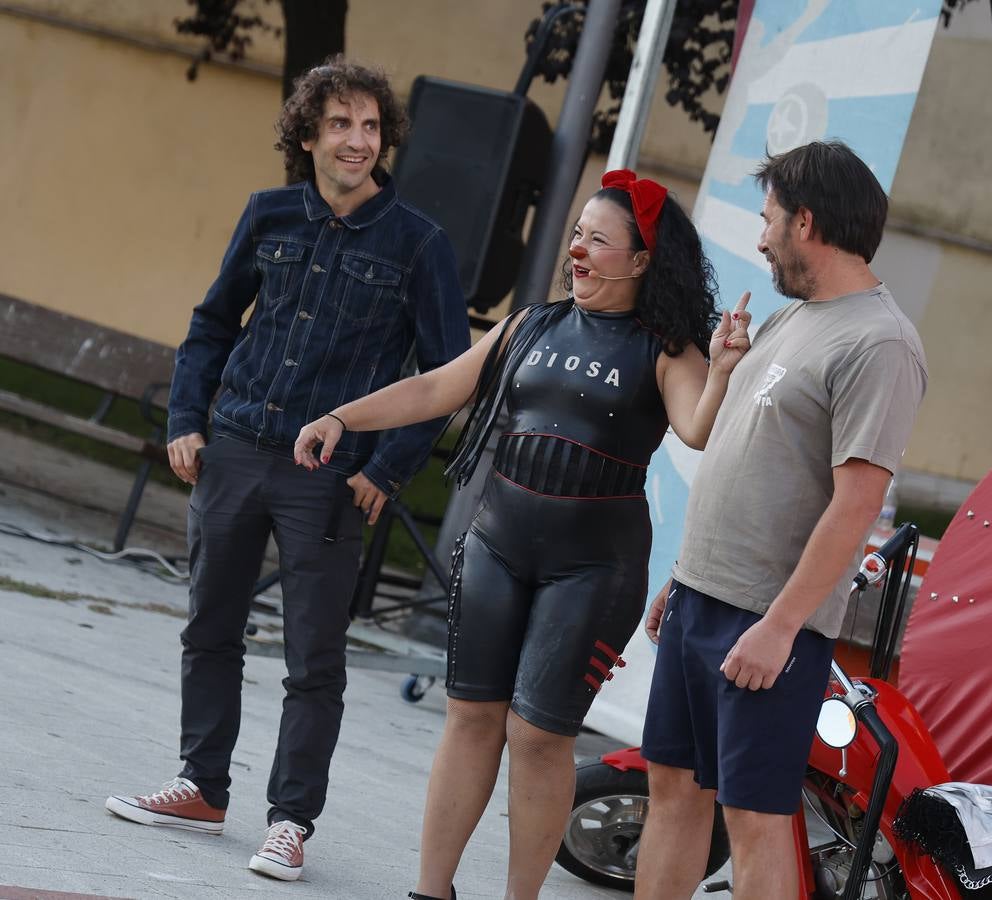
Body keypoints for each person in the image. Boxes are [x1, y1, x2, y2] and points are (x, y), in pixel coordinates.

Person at [293, 169, 749, 899]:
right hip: (498, 546)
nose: (577, 250)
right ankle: (430, 890)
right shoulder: (530, 325)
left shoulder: (667, 349)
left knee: (538, 735)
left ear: (639, 261)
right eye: (577, 234)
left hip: (594, 568)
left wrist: (721, 371)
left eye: (598, 241)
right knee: (470, 716)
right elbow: (436, 387)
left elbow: (696, 429)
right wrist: (343, 416)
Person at [103, 57, 471, 882]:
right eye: (339, 124)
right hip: (234, 447)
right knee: (209, 629)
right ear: (307, 134)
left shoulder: (420, 244)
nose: (356, 140)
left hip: (330, 476)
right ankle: (201, 786)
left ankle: (291, 821)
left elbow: (448, 376)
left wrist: (388, 466)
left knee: (314, 658)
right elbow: (209, 323)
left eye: (371, 127)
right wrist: (186, 421)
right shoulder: (267, 215)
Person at [633, 141, 929, 899]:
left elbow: (857, 503)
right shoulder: (793, 318)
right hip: (704, 597)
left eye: (767, 222)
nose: (759, 240)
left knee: (756, 817)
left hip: (768, 622)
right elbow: (746, 458)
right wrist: (684, 577)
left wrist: (781, 626)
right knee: (670, 786)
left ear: (806, 221)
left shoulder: (881, 341)